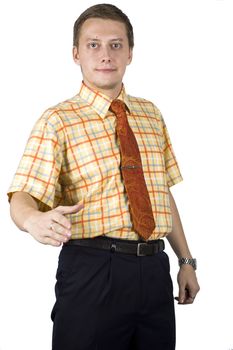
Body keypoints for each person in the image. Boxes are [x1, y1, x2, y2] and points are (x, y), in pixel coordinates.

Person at [8, 4, 200, 350]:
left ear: (130, 53)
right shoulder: (58, 120)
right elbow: (23, 193)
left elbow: (160, 194)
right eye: (93, 44)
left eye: (116, 45)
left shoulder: (149, 114)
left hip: (155, 270)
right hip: (94, 271)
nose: (106, 54)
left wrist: (185, 261)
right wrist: (32, 219)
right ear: (75, 53)